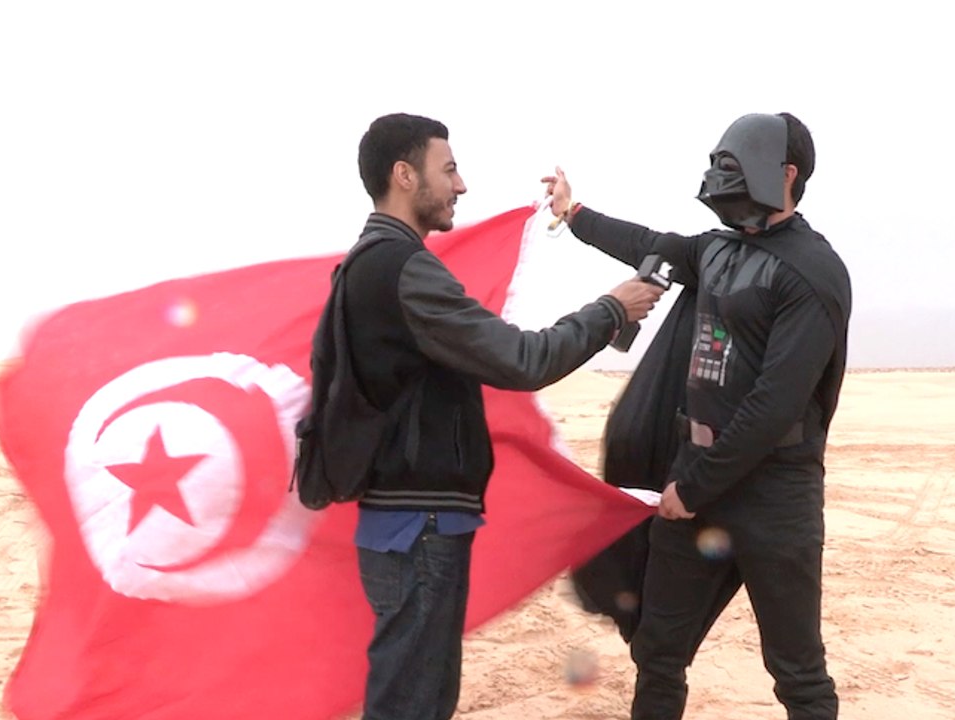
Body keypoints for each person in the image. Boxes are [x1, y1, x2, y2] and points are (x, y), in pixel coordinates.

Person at [337, 112, 665, 720]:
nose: (461, 185)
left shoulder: (364, 265)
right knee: (414, 700)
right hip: (419, 524)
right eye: (450, 168)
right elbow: (523, 358)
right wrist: (611, 310)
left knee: (413, 694)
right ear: (405, 176)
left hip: (401, 519)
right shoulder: (402, 269)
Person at [543, 112, 851, 720]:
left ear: (786, 174)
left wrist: (692, 487)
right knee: (658, 651)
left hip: (773, 494)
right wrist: (574, 215)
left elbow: (775, 404)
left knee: (797, 672)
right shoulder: (717, 251)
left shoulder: (813, 274)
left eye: (732, 164)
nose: (718, 175)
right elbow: (647, 245)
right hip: (695, 483)